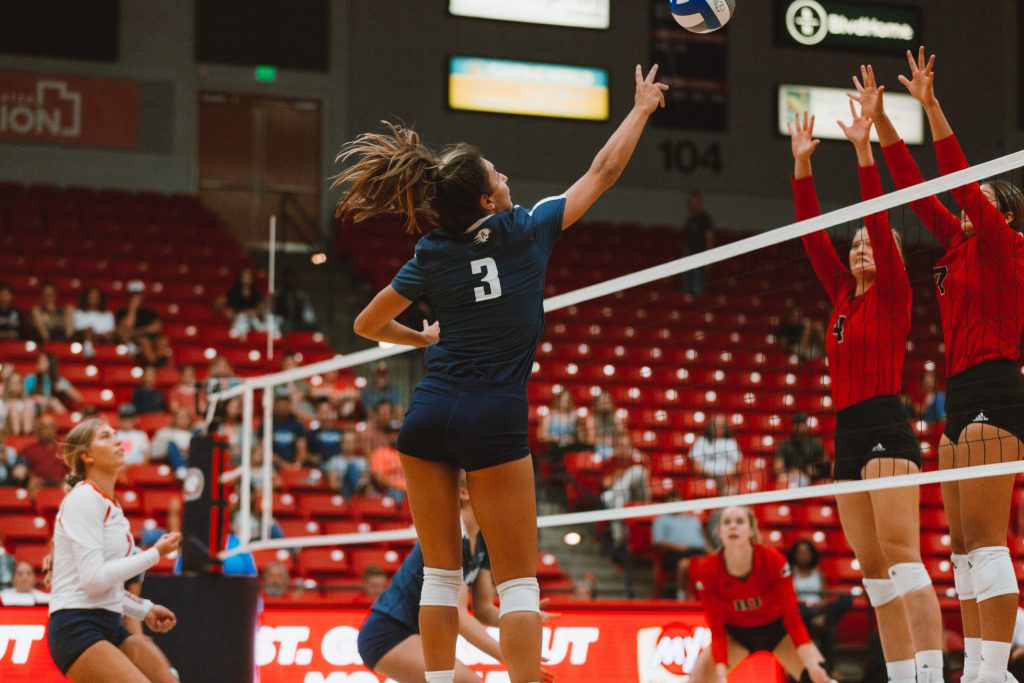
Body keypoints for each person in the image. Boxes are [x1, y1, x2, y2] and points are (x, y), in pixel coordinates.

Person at [340, 63, 668, 683]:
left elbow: (365, 324)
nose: (507, 176)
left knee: (439, 576)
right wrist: (641, 109)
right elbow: (603, 171)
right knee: (519, 585)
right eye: (498, 174)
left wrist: (420, 338)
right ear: (488, 200)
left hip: (430, 410)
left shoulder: (432, 251)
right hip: (492, 413)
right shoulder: (526, 230)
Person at [862, 49, 1024, 683]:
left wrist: (930, 106)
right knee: (960, 550)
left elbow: (956, 179)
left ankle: (994, 670)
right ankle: (979, 667)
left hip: (996, 388)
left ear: (1001, 212)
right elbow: (915, 185)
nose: (964, 206)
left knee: (986, 541)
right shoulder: (957, 244)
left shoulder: (1006, 246)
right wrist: (880, 123)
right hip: (958, 395)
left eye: (978, 200)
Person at [790, 104, 943, 683]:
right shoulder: (841, 296)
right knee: (874, 575)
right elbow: (811, 236)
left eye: (869, 244)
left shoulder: (893, 291)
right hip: (846, 433)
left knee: (904, 561)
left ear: (890, 256)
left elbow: (878, 216)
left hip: (885, 426)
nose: (860, 248)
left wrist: (862, 151)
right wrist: (802, 167)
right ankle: (902, 677)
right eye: (854, 244)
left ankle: (931, 674)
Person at [356, 476, 542, 683]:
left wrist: (522, 613)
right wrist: (512, 659)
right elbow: (458, 616)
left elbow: (483, 610)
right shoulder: (450, 535)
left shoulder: (483, 541)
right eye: (494, 487)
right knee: (468, 682)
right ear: (463, 493)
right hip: (388, 633)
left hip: (421, 634)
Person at [46, 418, 181, 681]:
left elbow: (106, 587)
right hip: (77, 626)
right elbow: (94, 579)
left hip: (110, 623)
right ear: (86, 456)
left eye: (116, 434)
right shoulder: (84, 498)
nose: (118, 441)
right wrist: (155, 554)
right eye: (105, 437)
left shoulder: (111, 505)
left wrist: (145, 609)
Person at [689, 506, 829, 683]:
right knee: (697, 680)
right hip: (736, 635)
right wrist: (721, 676)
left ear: (751, 530)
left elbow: (792, 619)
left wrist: (812, 664)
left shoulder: (773, 560)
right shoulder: (708, 571)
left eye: (739, 521)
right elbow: (717, 629)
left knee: (819, 675)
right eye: (727, 522)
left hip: (778, 631)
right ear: (720, 532)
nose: (733, 526)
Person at [788, 539, 852, 665]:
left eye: (807, 552)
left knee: (846, 599)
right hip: (800, 610)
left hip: (818, 608)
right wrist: (802, 602)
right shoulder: (789, 574)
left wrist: (821, 604)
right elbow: (787, 597)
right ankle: (820, 619)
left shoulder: (819, 574)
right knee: (828, 628)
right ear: (794, 555)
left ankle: (821, 618)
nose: (804, 555)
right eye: (800, 552)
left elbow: (825, 597)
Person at [652, 491, 710, 599]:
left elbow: (703, 540)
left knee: (711, 562)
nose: (674, 503)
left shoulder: (693, 519)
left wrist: (713, 553)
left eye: (677, 500)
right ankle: (681, 594)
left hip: (697, 551)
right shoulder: (661, 520)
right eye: (671, 501)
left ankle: (709, 593)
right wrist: (676, 546)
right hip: (674, 553)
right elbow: (657, 541)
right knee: (684, 564)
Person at [115, 280, 170, 367]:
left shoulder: (150, 312)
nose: (136, 298)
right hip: (133, 341)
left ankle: (159, 365)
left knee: (163, 341)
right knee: (144, 341)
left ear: (143, 296)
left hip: (150, 339)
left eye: (138, 295)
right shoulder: (123, 312)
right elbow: (126, 330)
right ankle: (155, 365)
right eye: (133, 295)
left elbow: (156, 328)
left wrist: (135, 331)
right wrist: (132, 309)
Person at [689, 414, 741, 493]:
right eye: (715, 425)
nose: (717, 428)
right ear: (709, 426)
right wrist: (714, 475)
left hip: (727, 481)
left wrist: (724, 476)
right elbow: (696, 467)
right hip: (705, 479)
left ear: (725, 428)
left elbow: (738, 467)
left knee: (730, 491)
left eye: (721, 426)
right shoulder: (701, 442)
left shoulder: (731, 443)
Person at [774, 412, 827, 488]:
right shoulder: (785, 444)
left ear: (806, 425)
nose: (800, 427)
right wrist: (792, 472)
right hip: (790, 476)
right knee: (783, 478)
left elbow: (826, 462)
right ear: (793, 426)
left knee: (803, 480)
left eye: (802, 423)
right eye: (797, 423)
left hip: (809, 476)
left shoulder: (814, 443)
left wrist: (816, 470)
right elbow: (777, 468)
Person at [19, 415, 67, 494]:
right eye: (43, 427)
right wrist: (30, 477)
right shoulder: (27, 450)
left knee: (68, 486)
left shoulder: (65, 449)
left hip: (60, 484)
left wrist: (66, 480)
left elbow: (74, 471)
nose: (47, 430)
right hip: (37, 484)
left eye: (50, 427)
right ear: (38, 430)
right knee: (32, 484)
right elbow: (20, 469)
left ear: (55, 429)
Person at [219, 267, 266, 339]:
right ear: (240, 278)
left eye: (249, 277)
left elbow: (261, 311)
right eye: (244, 277)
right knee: (241, 319)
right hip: (237, 321)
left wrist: (255, 312)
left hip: (253, 321)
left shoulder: (257, 294)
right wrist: (226, 311)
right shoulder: (233, 293)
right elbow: (218, 304)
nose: (246, 279)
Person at [682, 190, 713, 296]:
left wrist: (709, 256)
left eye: (693, 202)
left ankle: (698, 302)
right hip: (690, 254)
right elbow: (687, 239)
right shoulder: (689, 220)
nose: (691, 204)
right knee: (687, 283)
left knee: (697, 284)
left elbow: (709, 237)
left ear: (699, 202)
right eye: (689, 202)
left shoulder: (705, 218)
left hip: (701, 254)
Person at [579, 390, 624, 459]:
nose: (604, 405)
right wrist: (605, 440)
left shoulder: (616, 418)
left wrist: (614, 441)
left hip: (616, 446)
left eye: (607, 402)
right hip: (598, 448)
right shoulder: (591, 419)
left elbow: (623, 436)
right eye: (602, 402)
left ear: (611, 403)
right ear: (597, 404)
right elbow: (590, 439)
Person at [73, 286, 117, 356]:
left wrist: (98, 335)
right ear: (86, 298)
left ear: (100, 299)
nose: (93, 299)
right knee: (88, 331)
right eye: (91, 297)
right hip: (83, 338)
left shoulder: (108, 314)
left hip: (103, 340)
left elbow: (111, 332)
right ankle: (88, 347)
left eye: (96, 297)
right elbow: (77, 330)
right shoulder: (79, 313)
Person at [151, 407, 195, 471]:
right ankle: (181, 469)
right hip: (169, 461)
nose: (184, 421)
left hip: (189, 460)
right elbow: (156, 451)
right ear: (175, 419)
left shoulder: (194, 434)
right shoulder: (164, 432)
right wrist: (178, 450)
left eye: (187, 418)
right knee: (171, 445)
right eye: (181, 418)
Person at [274, 268, 317, 333]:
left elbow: (309, 314)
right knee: (286, 326)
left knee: (317, 326)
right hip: (281, 324)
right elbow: (271, 314)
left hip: (298, 324)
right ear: (283, 279)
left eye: (292, 278)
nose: (290, 280)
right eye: (288, 278)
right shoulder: (276, 295)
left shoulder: (301, 296)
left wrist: (309, 321)